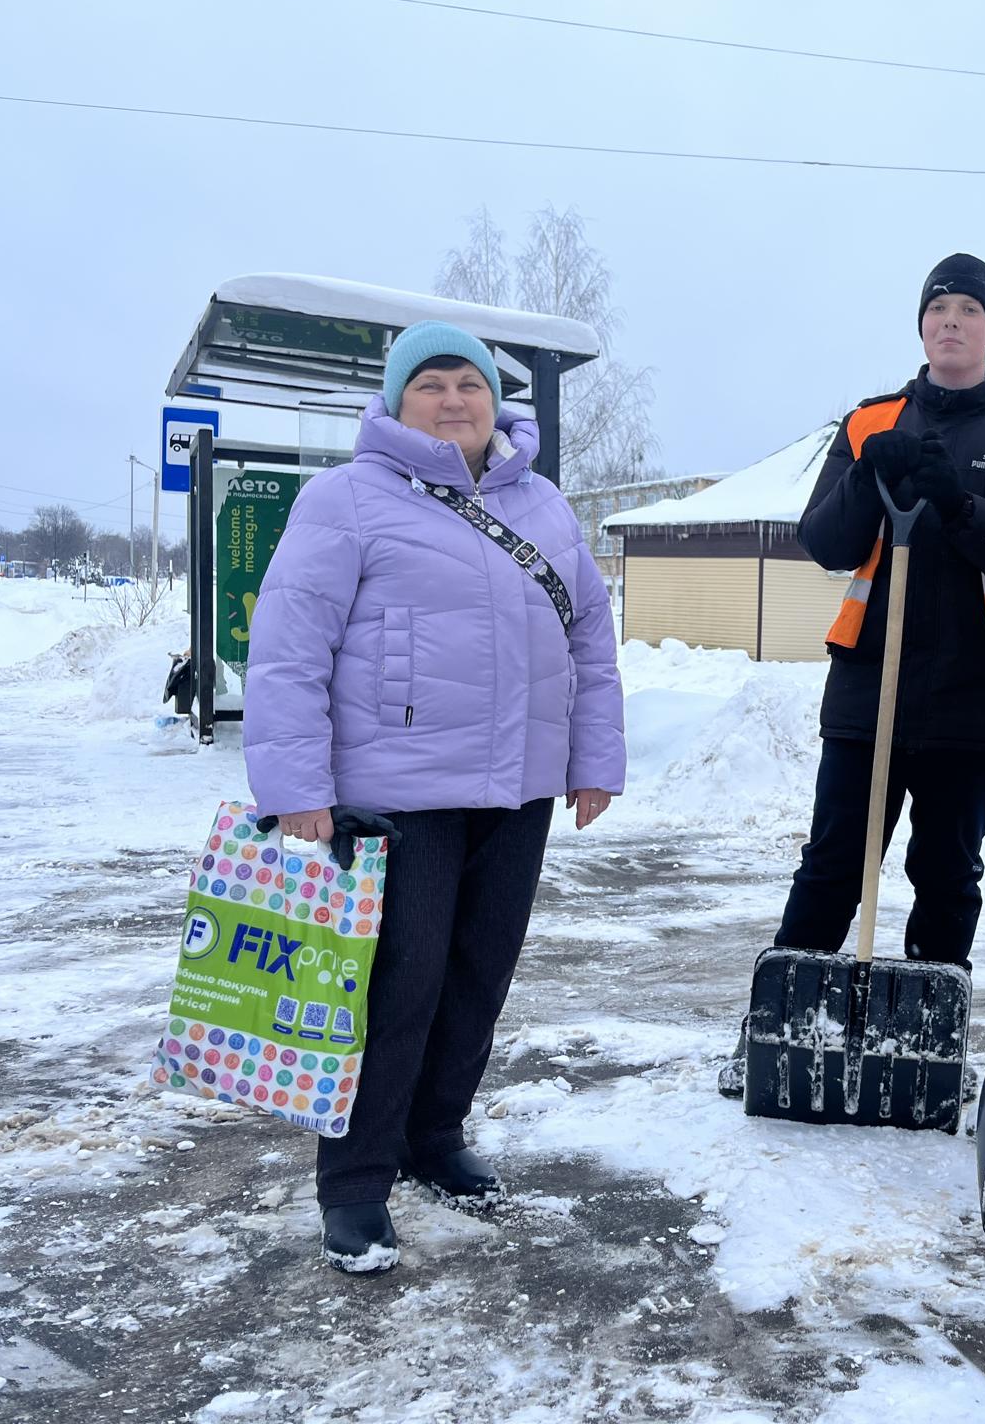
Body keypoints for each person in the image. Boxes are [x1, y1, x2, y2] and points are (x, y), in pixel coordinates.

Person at [245, 320, 625, 1273]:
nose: (454, 400)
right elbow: (290, 649)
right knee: (393, 990)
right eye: (432, 384)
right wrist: (298, 787)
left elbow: (589, 642)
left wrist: (593, 759)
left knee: (478, 975)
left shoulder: (543, 506)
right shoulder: (346, 499)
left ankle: (434, 1136)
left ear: (497, 401)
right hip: (396, 792)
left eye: (471, 384)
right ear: (395, 400)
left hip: (520, 788)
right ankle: (356, 1181)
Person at [717, 253, 985, 1098]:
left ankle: (925, 1046)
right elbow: (827, 544)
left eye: (969, 310)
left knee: (948, 875)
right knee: (834, 864)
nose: (952, 321)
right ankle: (771, 1032)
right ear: (921, 325)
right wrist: (874, 478)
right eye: (938, 308)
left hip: (974, 692)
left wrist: (960, 506)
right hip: (870, 689)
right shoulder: (870, 422)